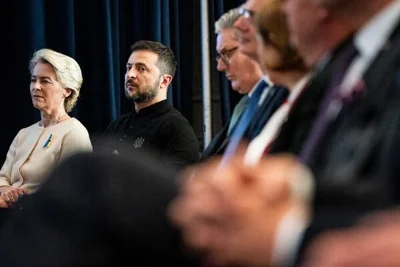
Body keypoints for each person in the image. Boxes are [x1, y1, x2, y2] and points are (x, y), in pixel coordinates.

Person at [168, 0, 400, 266]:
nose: (283, 10)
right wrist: (294, 184)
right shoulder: (355, 57)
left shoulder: (367, 58)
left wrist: (285, 235)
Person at [0, 48, 92, 209]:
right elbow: (3, 177)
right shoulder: (24, 134)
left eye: (45, 81)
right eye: (33, 79)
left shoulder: (74, 132)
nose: (35, 87)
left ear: (67, 90)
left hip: (46, 225)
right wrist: (6, 190)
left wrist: (15, 201)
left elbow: (71, 191)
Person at [102, 40, 199, 171]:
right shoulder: (117, 125)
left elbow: (179, 188)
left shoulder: (177, 129)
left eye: (141, 68)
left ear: (164, 81)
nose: (130, 74)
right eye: (129, 67)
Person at [201, 8, 264, 159]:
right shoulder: (243, 107)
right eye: (219, 56)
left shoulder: (279, 101)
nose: (220, 66)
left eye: (227, 54)